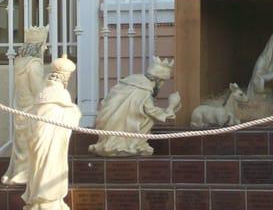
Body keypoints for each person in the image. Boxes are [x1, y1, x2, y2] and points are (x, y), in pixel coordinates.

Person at [88, 57, 180, 156]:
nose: (161, 85)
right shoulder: (144, 91)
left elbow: (108, 101)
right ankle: (131, 145)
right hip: (125, 129)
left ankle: (119, 143)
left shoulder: (130, 81)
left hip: (109, 125)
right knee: (148, 118)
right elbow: (151, 111)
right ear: (157, 80)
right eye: (162, 81)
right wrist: (171, 107)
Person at [22, 55, 80, 210]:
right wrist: (75, 111)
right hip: (52, 141)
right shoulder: (62, 95)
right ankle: (49, 202)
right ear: (64, 77)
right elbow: (71, 118)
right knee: (51, 166)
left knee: (40, 167)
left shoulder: (43, 93)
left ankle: (40, 201)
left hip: (38, 139)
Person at [2, 26, 49, 186]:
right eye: (44, 43)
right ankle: (24, 173)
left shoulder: (19, 63)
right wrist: (49, 84)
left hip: (21, 109)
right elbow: (38, 91)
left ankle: (17, 172)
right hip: (32, 111)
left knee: (22, 142)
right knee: (30, 142)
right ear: (38, 45)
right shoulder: (34, 65)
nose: (46, 47)